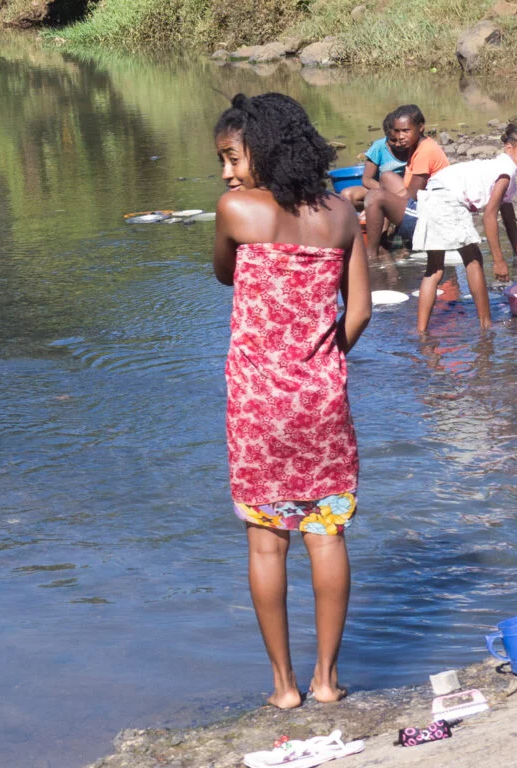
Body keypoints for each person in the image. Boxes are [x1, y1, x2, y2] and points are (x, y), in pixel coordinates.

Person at [213, 92, 371, 709]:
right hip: (322, 398)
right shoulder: (339, 214)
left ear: (263, 148)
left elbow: (227, 274)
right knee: (326, 534)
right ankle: (327, 681)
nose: (227, 172)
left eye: (232, 156)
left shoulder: (236, 210)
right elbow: (356, 312)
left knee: (264, 540)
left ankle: (283, 688)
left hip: (256, 403)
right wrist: (322, 365)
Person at [409, 124, 517, 331]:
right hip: (447, 198)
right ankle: (486, 326)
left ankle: (421, 331)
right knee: (473, 260)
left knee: (435, 269)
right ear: (509, 148)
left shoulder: (504, 174)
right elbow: (490, 216)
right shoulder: (505, 171)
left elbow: (510, 225)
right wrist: (498, 261)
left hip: (432, 194)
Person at [362, 104, 449, 263]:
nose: (401, 136)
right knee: (387, 177)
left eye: (405, 131)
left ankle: (371, 257)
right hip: (425, 206)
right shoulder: (416, 147)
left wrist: (385, 207)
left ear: (421, 127)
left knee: (375, 197)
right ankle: (383, 243)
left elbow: (412, 197)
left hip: (433, 218)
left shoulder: (425, 151)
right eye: (397, 131)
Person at [339, 112, 408, 209]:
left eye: (400, 140)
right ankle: (373, 210)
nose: (397, 144)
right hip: (381, 188)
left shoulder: (413, 146)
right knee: (346, 195)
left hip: (406, 190)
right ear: (387, 136)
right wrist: (386, 193)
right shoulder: (378, 147)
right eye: (393, 140)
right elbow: (367, 180)